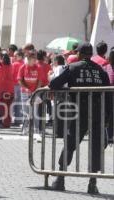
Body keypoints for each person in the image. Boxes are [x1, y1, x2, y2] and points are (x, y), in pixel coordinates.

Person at [49, 42, 111, 194]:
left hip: (79, 112)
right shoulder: (100, 70)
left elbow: (54, 83)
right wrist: (107, 118)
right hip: (97, 113)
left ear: (79, 54)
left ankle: (60, 179)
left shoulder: (73, 67)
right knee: (96, 148)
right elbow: (109, 95)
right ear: (91, 55)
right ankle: (92, 183)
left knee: (70, 144)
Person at [17, 50, 42, 135]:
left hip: (35, 92)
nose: (35, 59)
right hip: (25, 92)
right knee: (26, 112)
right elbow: (20, 80)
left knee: (35, 112)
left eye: (35, 58)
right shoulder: (23, 67)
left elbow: (39, 81)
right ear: (28, 58)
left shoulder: (38, 67)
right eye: (33, 58)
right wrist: (26, 88)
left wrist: (36, 90)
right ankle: (25, 129)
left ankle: (36, 129)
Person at [0, 53, 14, 128]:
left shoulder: (1, 65)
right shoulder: (11, 65)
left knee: (4, 107)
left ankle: (5, 123)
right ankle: (8, 122)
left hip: (3, 88)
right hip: (11, 88)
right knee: (8, 107)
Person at [12, 49, 24, 126]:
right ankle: (18, 119)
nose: (14, 57)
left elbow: (11, 75)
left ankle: (14, 119)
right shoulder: (24, 64)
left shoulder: (14, 64)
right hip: (22, 85)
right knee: (20, 103)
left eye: (16, 56)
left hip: (14, 85)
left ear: (20, 56)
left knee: (13, 103)